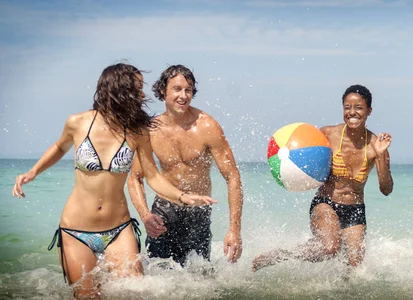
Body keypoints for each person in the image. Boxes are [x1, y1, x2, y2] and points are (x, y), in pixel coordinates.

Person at [12, 63, 215, 299]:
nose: (142, 94)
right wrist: (33, 172)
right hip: (76, 230)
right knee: (88, 296)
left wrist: (182, 196)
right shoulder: (78, 122)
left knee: (133, 293)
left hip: (119, 230)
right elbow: (59, 147)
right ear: (119, 89)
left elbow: (153, 176)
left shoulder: (138, 132)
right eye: (137, 88)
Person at [252, 84, 393, 272]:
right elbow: (303, 151)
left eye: (359, 107)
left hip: (355, 210)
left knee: (355, 268)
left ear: (369, 111)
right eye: (347, 107)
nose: (352, 112)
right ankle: (280, 256)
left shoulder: (377, 145)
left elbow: (386, 189)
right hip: (326, 203)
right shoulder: (328, 134)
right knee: (329, 248)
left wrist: (381, 155)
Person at [128, 64, 243, 267]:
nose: (183, 95)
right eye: (177, 89)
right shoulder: (151, 130)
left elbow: (232, 176)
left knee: (198, 279)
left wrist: (234, 230)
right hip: (163, 210)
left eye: (188, 90)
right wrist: (145, 216)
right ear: (163, 90)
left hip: (198, 212)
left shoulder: (207, 126)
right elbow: (135, 178)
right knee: (159, 277)